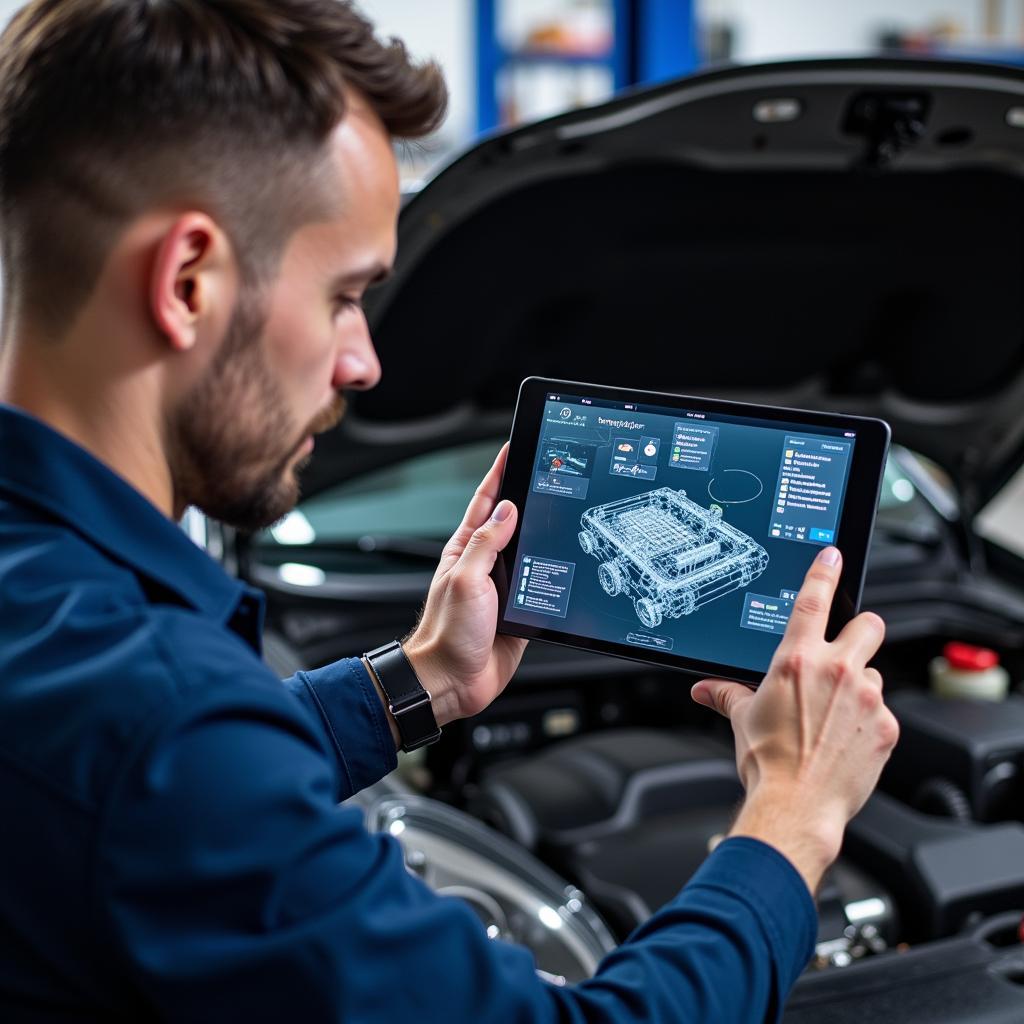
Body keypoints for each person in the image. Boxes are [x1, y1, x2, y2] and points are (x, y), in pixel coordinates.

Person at [0, 1, 898, 1021]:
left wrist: (419, 680)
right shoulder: (158, 717)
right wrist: (791, 813)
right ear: (189, 281)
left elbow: (147, 794)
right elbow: (169, 766)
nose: (364, 360)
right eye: (345, 295)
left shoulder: (54, 614)